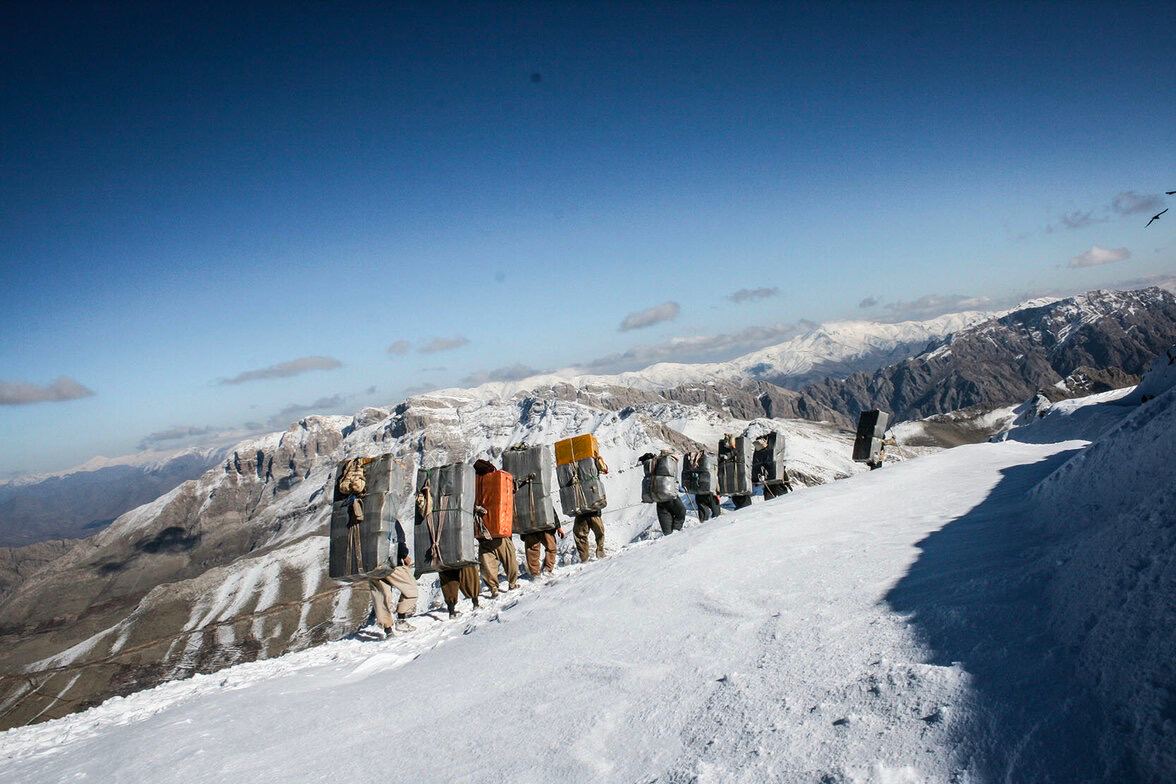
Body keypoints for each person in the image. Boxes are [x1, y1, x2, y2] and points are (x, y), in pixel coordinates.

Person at [367, 519, 418, 635]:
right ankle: (401, 620)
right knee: (411, 590)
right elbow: (397, 539)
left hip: (370, 565)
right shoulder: (387, 517)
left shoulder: (363, 522)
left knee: (381, 597)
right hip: (392, 563)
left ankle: (388, 630)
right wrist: (404, 555)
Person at [573, 453, 609, 562]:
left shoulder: (569, 465)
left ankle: (584, 558)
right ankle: (600, 551)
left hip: (579, 510)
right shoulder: (592, 462)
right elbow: (605, 469)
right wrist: (598, 458)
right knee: (600, 532)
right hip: (594, 508)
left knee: (580, 536)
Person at [522, 505, 565, 578]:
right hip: (544, 526)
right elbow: (550, 508)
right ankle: (545, 570)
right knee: (550, 548)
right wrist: (558, 527)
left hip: (531, 527)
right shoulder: (540, 493)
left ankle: (537, 573)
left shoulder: (520, 494)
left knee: (532, 551)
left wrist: (558, 527)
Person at [477, 526, 519, 598]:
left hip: (484, 539)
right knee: (509, 560)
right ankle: (512, 584)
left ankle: (493, 588)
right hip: (500, 537)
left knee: (487, 566)